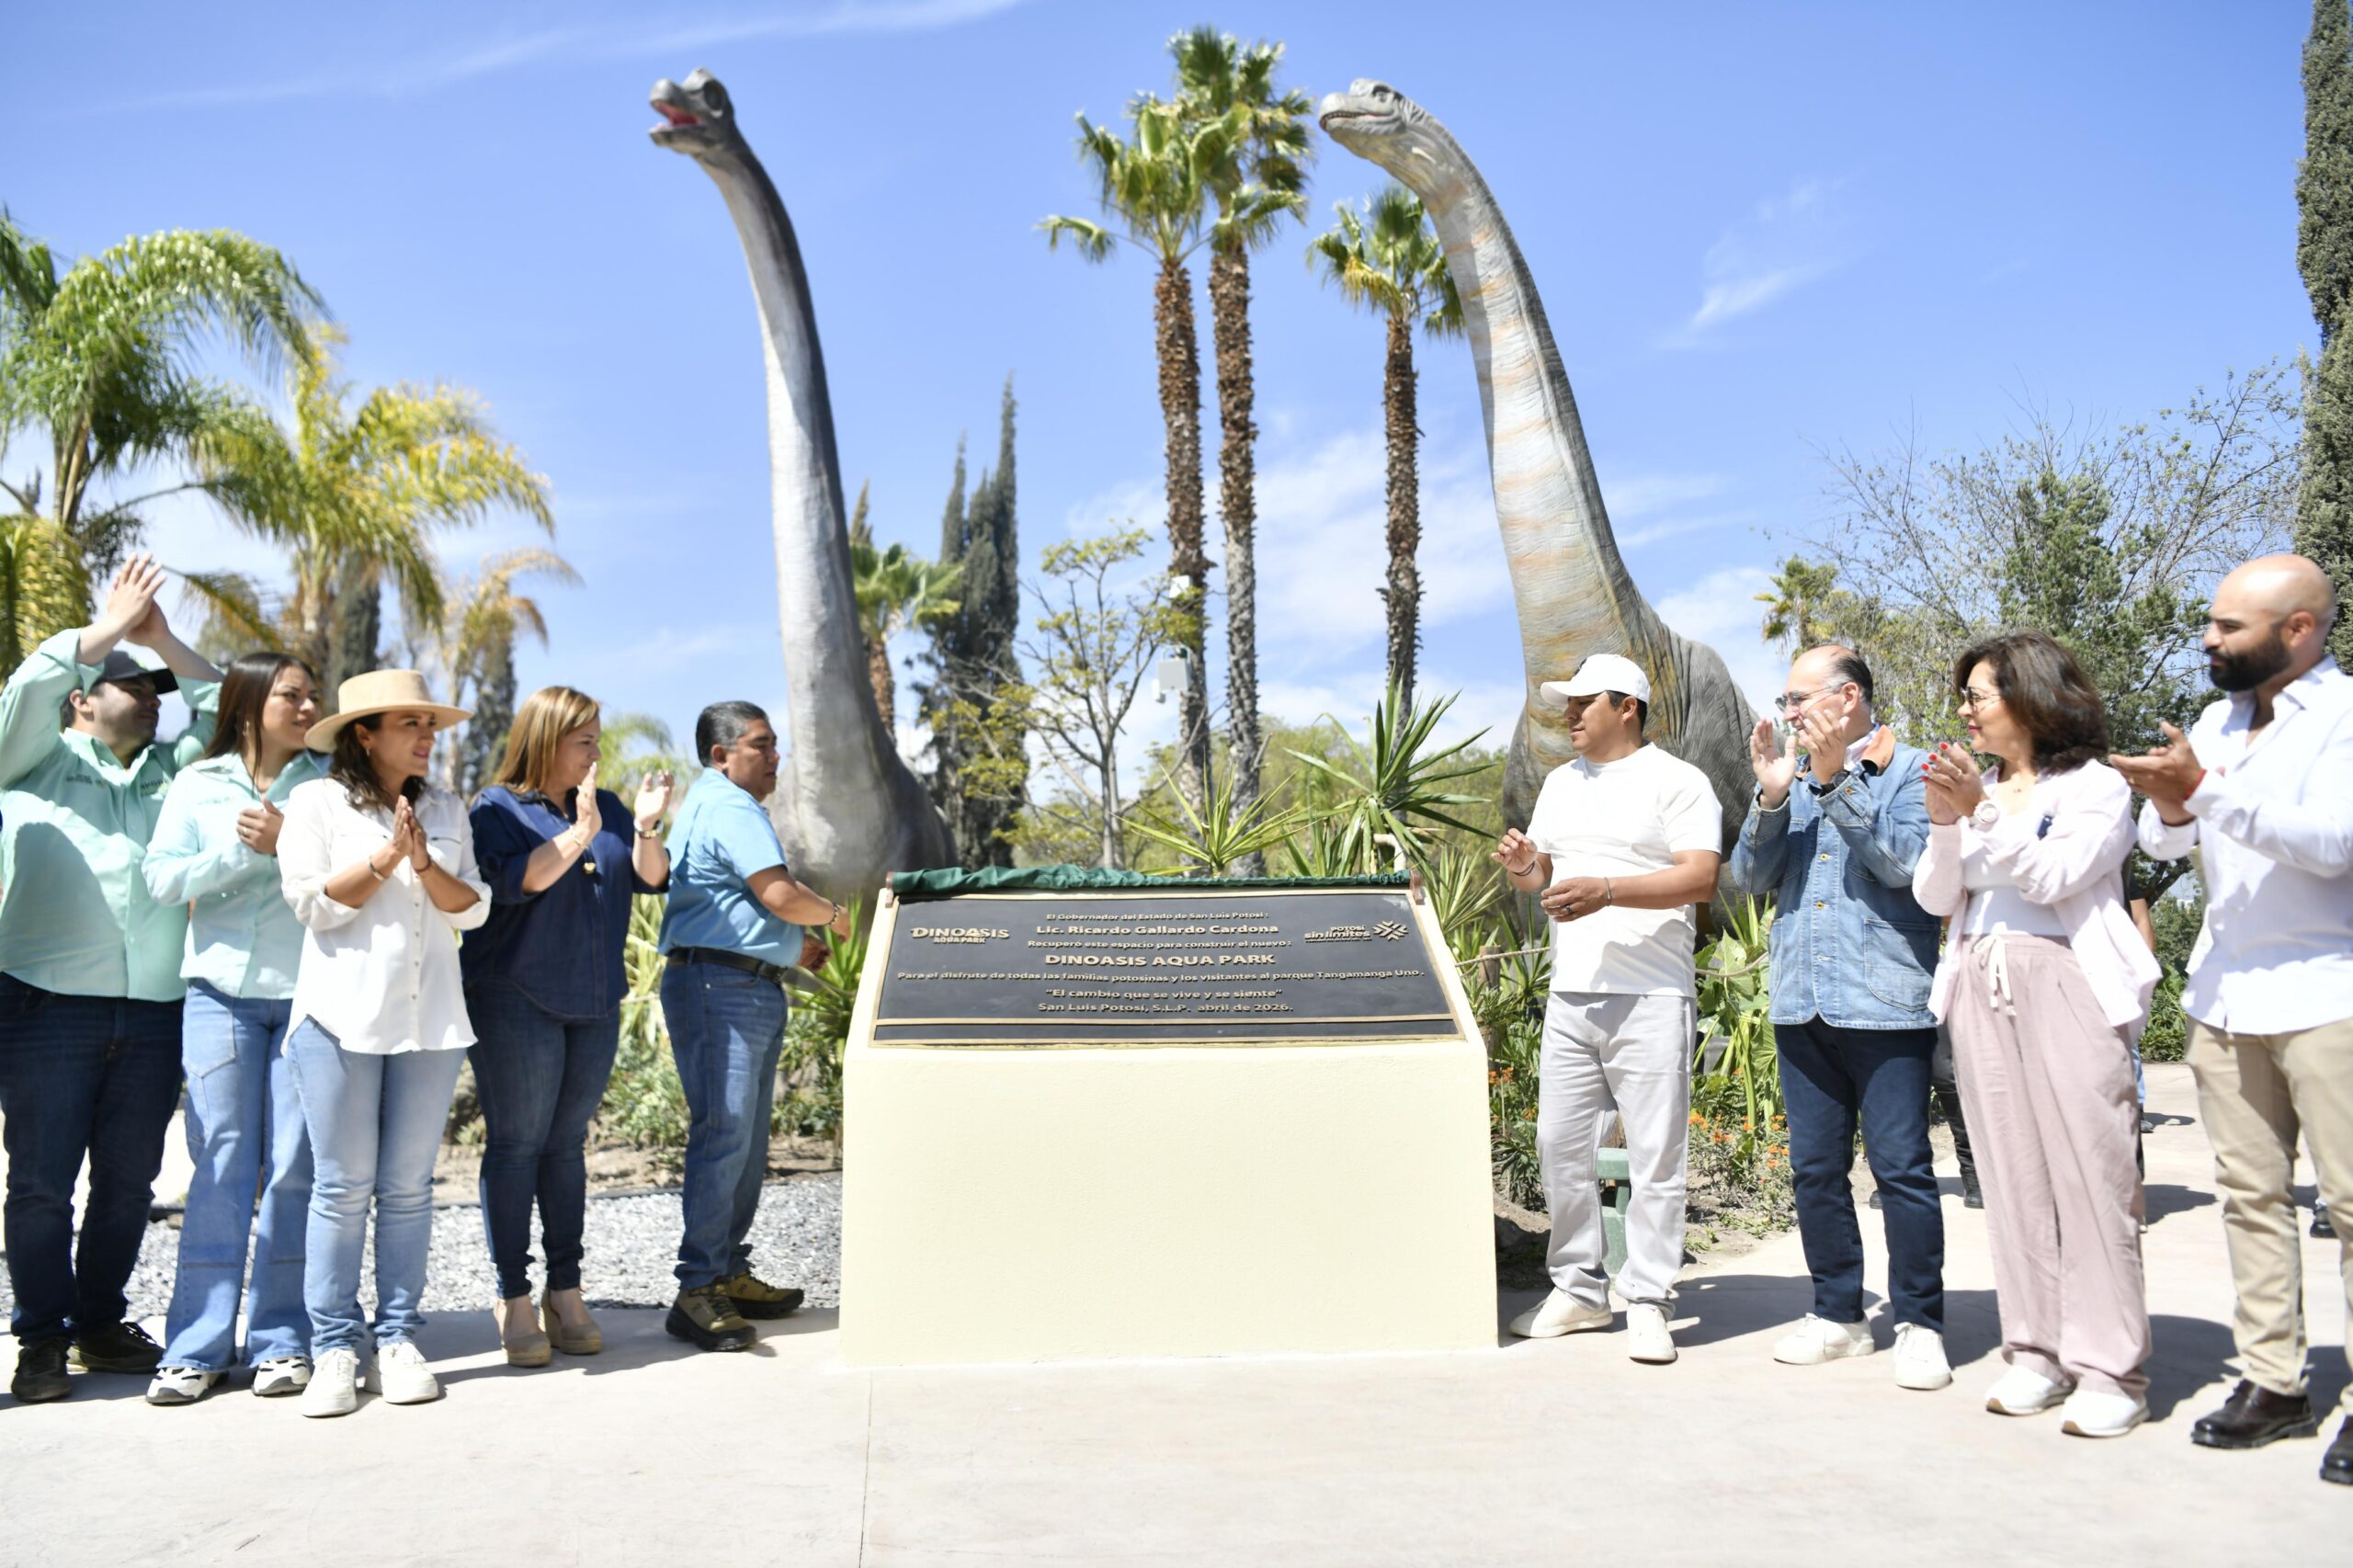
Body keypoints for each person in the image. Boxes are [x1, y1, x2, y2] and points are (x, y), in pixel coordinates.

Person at [2110, 554, 2353, 1483]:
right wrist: (2171, 800)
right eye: (2209, 623)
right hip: (2225, 995)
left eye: (2227, 627)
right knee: (2250, 1196)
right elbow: (2163, 840)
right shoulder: (2215, 722)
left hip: (2329, 992)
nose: (2208, 640)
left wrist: (2204, 791)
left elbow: (2334, 843)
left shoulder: (2343, 715)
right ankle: (2273, 1381)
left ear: (2298, 630)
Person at [1915, 631, 2159, 1439]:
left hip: (2066, 978)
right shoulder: (1977, 789)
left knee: (2092, 1172)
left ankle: (2110, 1369)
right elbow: (1935, 897)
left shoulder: (2096, 786)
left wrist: (1981, 812)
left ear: (2029, 697)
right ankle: (2036, 1353)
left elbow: (2055, 877)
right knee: (2011, 1176)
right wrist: (1945, 825)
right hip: (1978, 982)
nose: (1965, 711)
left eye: (1977, 696)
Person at [0, 555, 222, 1404]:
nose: (155, 695)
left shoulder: (179, 775)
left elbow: (227, 710)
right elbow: (24, 692)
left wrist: (161, 642)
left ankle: (98, 1324)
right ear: (81, 699)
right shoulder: (30, 759)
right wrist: (102, 631)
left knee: (129, 1184)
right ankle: (40, 1339)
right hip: (44, 1003)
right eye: (134, 682)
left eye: (156, 685)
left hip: (157, 1009)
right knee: (41, 1185)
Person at [1725, 644, 1952, 1392]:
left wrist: (1833, 784)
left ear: (1848, 697)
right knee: (1816, 1170)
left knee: (1902, 1170)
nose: (1788, 713)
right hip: (1802, 1002)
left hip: (1886, 1007)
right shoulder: (1789, 781)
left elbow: (1907, 869)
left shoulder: (1915, 771)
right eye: (1787, 701)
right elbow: (1748, 879)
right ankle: (1838, 1315)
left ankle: (1920, 1323)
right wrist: (1770, 800)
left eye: (1799, 699)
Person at [1492, 653, 1722, 1365]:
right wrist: (1526, 866)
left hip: (1652, 995)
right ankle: (1581, 1293)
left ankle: (1648, 1300)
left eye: (1583, 701)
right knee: (1559, 1149)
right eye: (1567, 702)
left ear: (1627, 707)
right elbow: (1545, 875)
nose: (1569, 712)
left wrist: (1609, 890)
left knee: (1655, 1157)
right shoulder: (1561, 783)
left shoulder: (1679, 781)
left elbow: (1700, 877)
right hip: (1571, 993)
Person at [278, 671, 489, 1417]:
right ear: (363, 734)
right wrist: (388, 858)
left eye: (431, 724)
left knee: (406, 1189)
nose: (428, 736)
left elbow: (472, 911)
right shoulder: (315, 802)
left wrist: (424, 861)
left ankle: (396, 1339)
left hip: (431, 1023)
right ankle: (336, 1347)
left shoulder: (448, 808)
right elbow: (312, 905)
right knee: (342, 1189)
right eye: (410, 723)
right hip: (337, 1021)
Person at [464, 687, 673, 1365]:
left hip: (595, 1001)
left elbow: (650, 877)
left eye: (597, 739)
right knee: (517, 1146)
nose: (596, 752)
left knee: (565, 1148)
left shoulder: (606, 805)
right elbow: (517, 883)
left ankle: (566, 1291)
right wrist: (578, 833)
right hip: (515, 998)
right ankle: (514, 1297)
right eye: (584, 740)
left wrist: (645, 825)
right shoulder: (496, 808)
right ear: (546, 740)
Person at [141, 653, 326, 1404]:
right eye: (293, 695)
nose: (309, 707)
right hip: (218, 997)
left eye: (313, 696)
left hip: (309, 999)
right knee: (220, 1163)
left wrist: (287, 843)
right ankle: (195, 1349)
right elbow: (161, 879)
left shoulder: (326, 786)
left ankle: (282, 1341)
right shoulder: (197, 782)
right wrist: (234, 853)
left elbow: (349, 876)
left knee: (291, 1168)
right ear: (249, 704)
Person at [657, 699, 850, 1352]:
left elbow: (728, 907)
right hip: (721, 989)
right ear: (721, 755)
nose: (775, 756)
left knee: (740, 1140)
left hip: (733, 982)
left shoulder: (710, 805)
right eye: (761, 745)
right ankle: (698, 1288)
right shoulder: (733, 807)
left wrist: (788, 947)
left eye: (773, 744)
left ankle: (726, 1273)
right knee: (726, 1136)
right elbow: (778, 894)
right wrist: (834, 916)